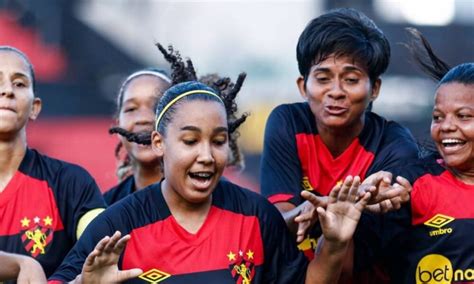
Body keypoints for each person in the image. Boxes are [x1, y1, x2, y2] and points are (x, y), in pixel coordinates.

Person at [49, 43, 373, 283]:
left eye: (218, 141)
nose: (206, 155)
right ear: (159, 144)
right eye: (190, 141)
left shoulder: (256, 217)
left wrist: (334, 243)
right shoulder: (116, 225)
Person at [259, 7, 419, 280]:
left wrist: (320, 213)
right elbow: (275, 225)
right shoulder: (287, 123)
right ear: (302, 85)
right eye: (322, 79)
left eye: (351, 79)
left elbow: (348, 260)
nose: (335, 92)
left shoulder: (395, 145)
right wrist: (319, 211)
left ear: (375, 89)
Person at [0, 46, 106, 277]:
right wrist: (22, 264)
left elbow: (101, 254)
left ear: (35, 108)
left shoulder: (72, 183)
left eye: (19, 83)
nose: (7, 90)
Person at [378, 29, 474, 283]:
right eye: (438, 117)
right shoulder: (408, 186)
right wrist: (362, 208)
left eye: (463, 116)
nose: (446, 127)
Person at [104, 68, 171, 205]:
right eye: (131, 109)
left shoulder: (218, 198)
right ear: (118, 124)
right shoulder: (106, 207)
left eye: (157, 106)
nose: (143, 119)